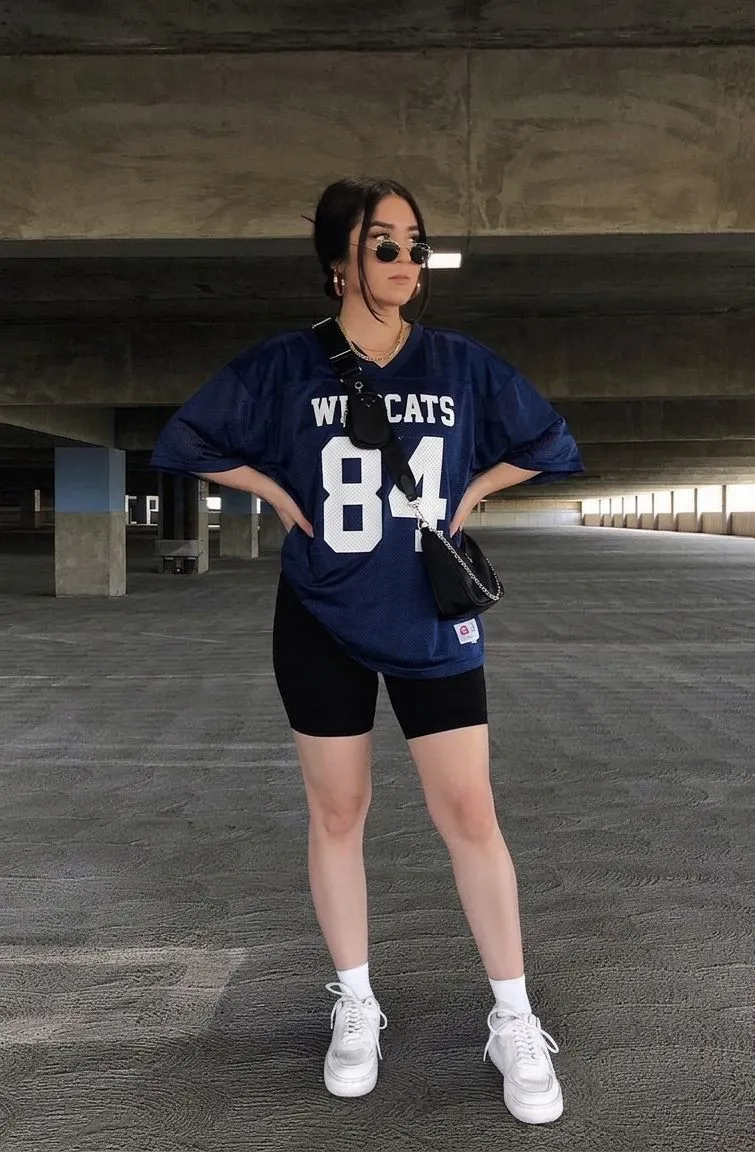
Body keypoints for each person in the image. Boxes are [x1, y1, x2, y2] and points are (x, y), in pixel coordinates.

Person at [150, 177, 584, 1124]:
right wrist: (267, 486)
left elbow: (550, 443)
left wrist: (470, 497)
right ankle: (356, 998)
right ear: (338, 261)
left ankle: (511, 1014)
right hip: (320, 614)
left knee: (469, 809)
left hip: (430, 617)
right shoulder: (282, 366)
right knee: (337, 809)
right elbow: (184, 440)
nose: (405, 263)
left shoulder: (462, 366)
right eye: (383, 245)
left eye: (415, 246)